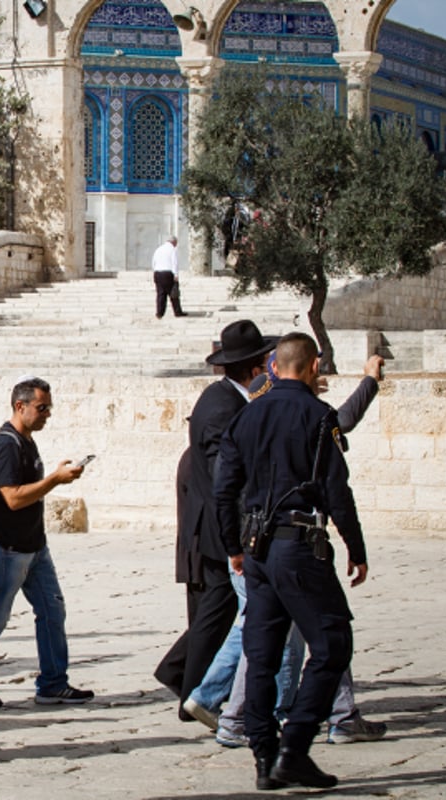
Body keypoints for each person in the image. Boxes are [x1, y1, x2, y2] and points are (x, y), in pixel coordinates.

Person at [215, 332, 369, 790]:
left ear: (272, 367)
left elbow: (225, 490)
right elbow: (336, 492)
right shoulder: (320, 417)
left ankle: (264, 756)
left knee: (261, 656)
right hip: (298, 546)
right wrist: (355, 549)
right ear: (314, 367)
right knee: (333, 643)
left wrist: (234, 548)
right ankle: (294, 746)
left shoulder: (245, 418)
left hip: (257, 549)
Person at [154, 320, 275, 719]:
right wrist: (236, 533)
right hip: (217, 528)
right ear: (255, 369)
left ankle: (179, 674)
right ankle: (194, 696)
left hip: (215, 525)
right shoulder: (223, 407)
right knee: (216, 612)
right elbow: (226, 477)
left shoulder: (226, 399)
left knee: (216, 611)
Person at [0, 377, 91, 708]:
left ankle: (54, 682)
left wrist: (53, 476)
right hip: (8, 547)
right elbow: (12, 498)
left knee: (52, 608)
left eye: (49, 408)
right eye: (42, 408)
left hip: (34, 545)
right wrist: (54, 480)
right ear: (20, 406)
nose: (47, 415)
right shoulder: (6, 445)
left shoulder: (25, 441)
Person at [151, 235, 187, 318]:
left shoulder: (158, 249)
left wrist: (155, 271)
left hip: (158, 273)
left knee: (160, 294)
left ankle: (159, 313)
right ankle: (177, 311)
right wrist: (176, 274)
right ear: (174, 242)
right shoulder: (172, 250)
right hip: (168, 273)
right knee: (173, 293)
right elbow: (175, 263)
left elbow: (153, 262)